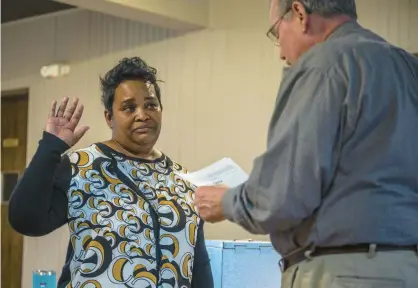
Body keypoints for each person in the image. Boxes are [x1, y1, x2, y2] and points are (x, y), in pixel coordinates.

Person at [195, 0, 418, 287]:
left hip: (341, 272)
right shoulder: (407, 66)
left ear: (300, 13)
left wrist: (226, 202)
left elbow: (283, 196)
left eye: (277, 33)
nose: (280, 53)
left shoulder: (322, 65)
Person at [9, 57, 213, 288]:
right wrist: (50, 148)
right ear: (109, 117)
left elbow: (198, 266)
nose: (142, 114)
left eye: (151, 104)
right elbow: (25, 219)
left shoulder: (184, 180)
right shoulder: (81, 167)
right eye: (128, 107)